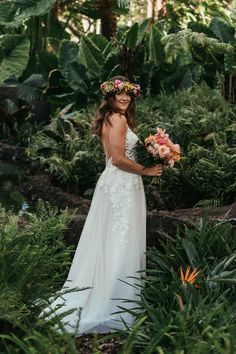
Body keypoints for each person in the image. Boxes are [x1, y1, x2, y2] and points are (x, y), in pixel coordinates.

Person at [43, 76, 163, 335]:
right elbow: (118, 159)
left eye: (128, 95)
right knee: (120, 240)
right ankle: (116, 304)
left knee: (110, 240)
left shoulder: (111, 118)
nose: (124, 98)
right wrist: (147, 169)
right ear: (110, 96)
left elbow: (113, 158)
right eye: (120, 94)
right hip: (122, 184)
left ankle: (110, 296)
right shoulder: (118, 119)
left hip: (114, 184)